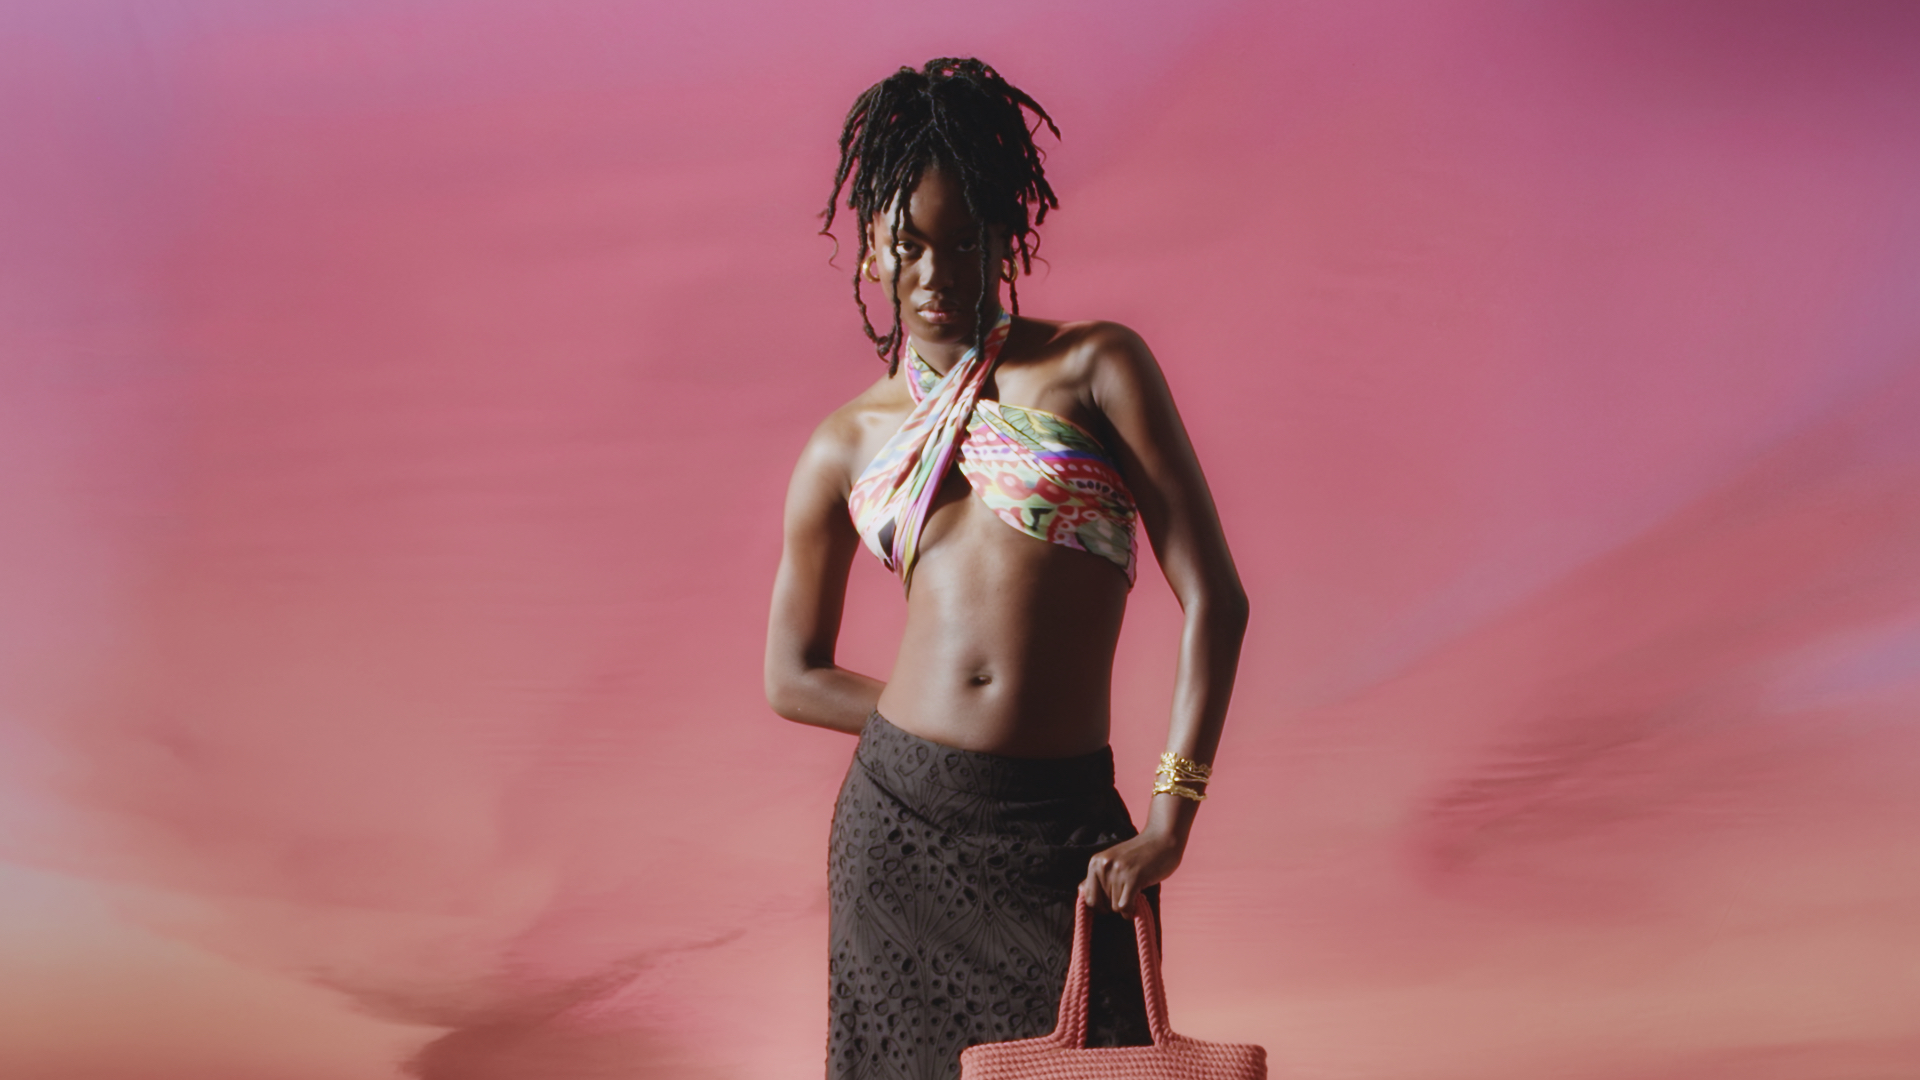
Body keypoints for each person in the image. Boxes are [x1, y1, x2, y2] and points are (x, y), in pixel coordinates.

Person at [764, 57, 1247, 1080]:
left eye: (966, 240)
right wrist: (929, 727)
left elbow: (1217, 599)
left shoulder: (1093, 367)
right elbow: (790, 676)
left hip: (1066, 835)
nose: (938, 274)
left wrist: (1171, 819)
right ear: (870, 253)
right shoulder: (843, 444)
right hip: (899, 833)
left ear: (1007, 236)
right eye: (909, 245)